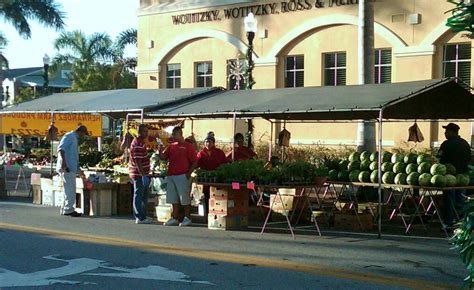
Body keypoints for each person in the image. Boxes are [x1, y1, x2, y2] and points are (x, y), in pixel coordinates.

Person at [159, 126, 198, 226]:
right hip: (171, 175)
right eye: (172, 134)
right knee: (173, 199)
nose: (173, 136)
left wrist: (188, 174)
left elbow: (195, 161)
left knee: (184, 198)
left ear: (180, 134)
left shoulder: (187, 146)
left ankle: (187, 218)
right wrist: (160, 149)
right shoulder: (171, 146)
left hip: (182, 176)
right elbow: (163, 157)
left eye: (175, 134)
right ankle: (174, 218)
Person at [438, 122, 471, 228]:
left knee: (449, 200)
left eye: (446, 131)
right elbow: (469, 159)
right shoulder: (465, 143)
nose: (445, 133)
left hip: (449, 177)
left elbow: (440, 159)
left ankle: (448, 222)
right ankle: (462, 222)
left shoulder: (446, 144)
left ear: (452, 132)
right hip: (463, 177)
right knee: (461, 200)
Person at [56, 125, 89, 217]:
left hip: (70, 167)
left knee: (68, 189)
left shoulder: (74, 138)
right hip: (67, 167)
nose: (83, 136)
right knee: (70, 189)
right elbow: (61, 149)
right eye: (83, 133)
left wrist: (79, 170)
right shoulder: (69, 136)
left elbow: (73, 156)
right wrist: (64, 163)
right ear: (80, 131)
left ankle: (65, 208)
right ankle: (68, 209)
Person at [196, 132, 228, 217]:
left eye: (210, 141)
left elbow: (224, 164)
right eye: (206, 141)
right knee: (206, 196)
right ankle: (207, 214)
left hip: (216, 177)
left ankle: (217, 213)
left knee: (217, 196)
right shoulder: (201, 153)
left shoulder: (219, 152)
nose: (208, 143)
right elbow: (196, 164)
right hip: (205, 178)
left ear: (213, 143)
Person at [128, 124, 154, 224]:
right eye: (144, 131)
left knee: (143, 196)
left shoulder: (141, 142)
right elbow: (138, 162)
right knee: (138, 194)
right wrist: (143, 175)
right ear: (139, 132)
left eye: (147, 131)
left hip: (143, 173)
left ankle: (143, 214)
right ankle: (139, 217)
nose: (146, 133)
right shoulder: (138, 144)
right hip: (138, 174)